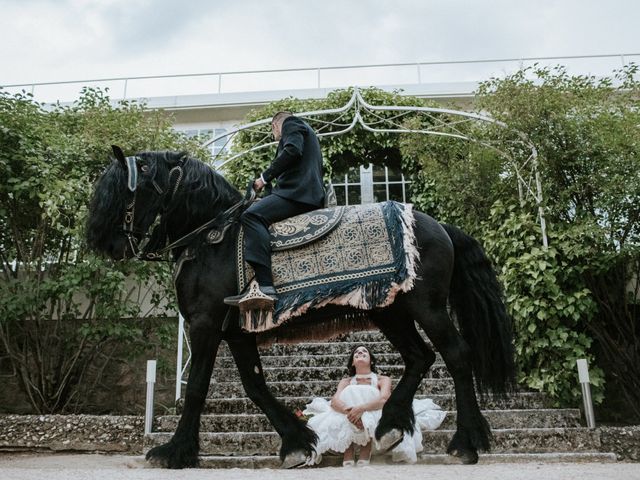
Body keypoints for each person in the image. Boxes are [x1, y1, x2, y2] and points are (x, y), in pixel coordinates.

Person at [224, 111, 325, 310]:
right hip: (301, 194)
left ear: (275, 125)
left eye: (273, 133)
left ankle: (265, 286)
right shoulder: (306, 131)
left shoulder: (291, 123)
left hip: (298, 195)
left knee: (251, 215)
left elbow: (292, 151)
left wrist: (263, 178)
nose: (274, 136)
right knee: (257, 209)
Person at [303, 344, 447, 466]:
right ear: (353, 363)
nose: (360, 353)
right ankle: (349, 446)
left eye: (364, 351)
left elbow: (384, 399)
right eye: (356, 353)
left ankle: (366, 444)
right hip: (346, 414)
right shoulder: (346, 381)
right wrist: (351, 413)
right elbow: (335, 402)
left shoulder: (382, 379)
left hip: (374, 410)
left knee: (366, 394)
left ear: (371, 361)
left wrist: (361, 409)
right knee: (350, 392)